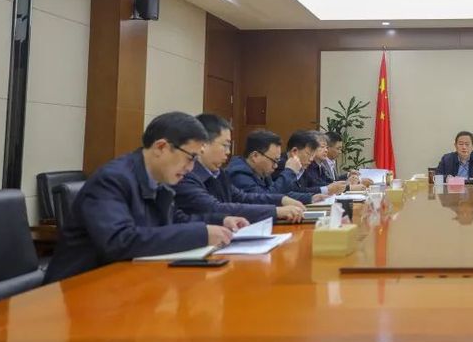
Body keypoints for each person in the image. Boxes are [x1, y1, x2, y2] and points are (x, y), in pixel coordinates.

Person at [45, 112, 248, 283]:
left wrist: (221, 220)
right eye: (190, 157)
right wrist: (201, 234)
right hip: (80, 287)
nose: (191, 167)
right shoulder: (112, 180)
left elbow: (176, 219)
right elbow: (119, 241)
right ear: (161, 147)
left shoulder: (159, 179)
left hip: (128, 281)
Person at [173, 114, 305, 224]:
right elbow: (214, 208)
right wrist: (275, 211)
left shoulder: (218, 173)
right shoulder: (185, 175)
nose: (228, 152)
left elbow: (242, 197)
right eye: (225, 145)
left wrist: (281, 199)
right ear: (203, 145)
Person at [226, 130, 323, 204]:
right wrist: (289, 171)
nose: (276, 166)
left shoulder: (261, 172)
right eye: (274, 160)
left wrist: (310, 197)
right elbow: (264, 199)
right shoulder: (238, 173)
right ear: (255, 156)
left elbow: (279, 194)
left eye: (278, 160)